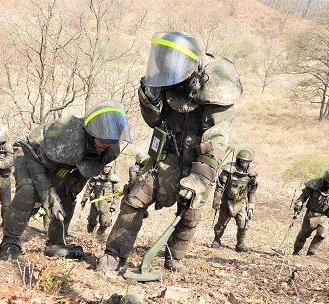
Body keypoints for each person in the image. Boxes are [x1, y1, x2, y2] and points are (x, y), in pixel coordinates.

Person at [97, 30, 242, 273]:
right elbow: (154, 121)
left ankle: (175, 258)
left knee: (191, 210)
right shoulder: (167, 76)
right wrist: (149, 99)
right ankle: (114, 254)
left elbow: (216, 141)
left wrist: (197, 180)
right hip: (167, 156)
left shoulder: (217, 88)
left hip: (200, 159)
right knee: (135, 199)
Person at [0, 100, 131, 259]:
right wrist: (49, 197)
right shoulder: (67, 136)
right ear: (92, 132)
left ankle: (56, 243)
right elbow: (38, 167)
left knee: (67, 195)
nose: (106, 145)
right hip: (29, 153)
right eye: (103, 140)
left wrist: (64, 195)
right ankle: (10, 241)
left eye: (110, 142)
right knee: (29, 190)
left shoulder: (109, 148)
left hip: (63, 162)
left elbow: (83, 173)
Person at [211, 147, 258, 252]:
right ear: (238, 160)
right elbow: (220, 187)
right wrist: (217, 200)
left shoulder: (251, 175)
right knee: (221, 223)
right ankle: (217, 240)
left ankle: (240, 244)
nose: (244, 163)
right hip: (226, 201)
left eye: (247, 162)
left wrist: (251, 206)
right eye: (242, 161)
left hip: (240, 202)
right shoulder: (228, 171)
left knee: (243, 224)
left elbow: (252, 192)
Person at [292, 164, 329, 256]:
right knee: (304, 234)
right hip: (311, 214)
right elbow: (303, 196)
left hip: (325, 216)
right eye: (327, 182)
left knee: (322, 234)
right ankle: (296, 251)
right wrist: (299, 204)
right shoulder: (313, 184)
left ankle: (312, 251)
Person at [81, 161, 120, 240]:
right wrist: (84, 199)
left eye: (108, 167)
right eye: (105, 167)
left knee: (105, 222)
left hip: (106, 204)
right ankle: (89, 234)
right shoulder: (96, 177)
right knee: (92, 220)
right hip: (95, 201)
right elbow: (89, 189)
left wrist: (114, 205)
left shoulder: (113, 179)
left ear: (111, 168)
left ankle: (100, 234)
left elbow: (117, 194)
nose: (106, 169)